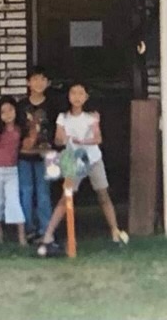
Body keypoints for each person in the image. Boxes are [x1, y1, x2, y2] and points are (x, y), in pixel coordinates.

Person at [36, 82, 129, 256]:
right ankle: (47, 236)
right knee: (66, 197)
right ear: (68, 96)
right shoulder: (62, 117)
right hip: (72, 159)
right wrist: (62, 139)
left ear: (86, 97)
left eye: (81, 93)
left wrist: (83, 142)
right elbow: (58, 139)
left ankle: (115, 232)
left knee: (103, 195)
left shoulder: (92, 117)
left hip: (93, 158)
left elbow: (98, 138)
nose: (77, 97)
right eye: (73, 93)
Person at [17, 66, 62, 241]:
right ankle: (28, 229)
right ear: (28, 82)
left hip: (49, 156)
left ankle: (46, 230)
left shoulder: (53, 105)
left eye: (43, 79)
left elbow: (58, 129)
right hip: (24, 155)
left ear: (48, 83)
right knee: (26, 192)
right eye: (35, 79)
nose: (39, 83)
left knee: (45, 193)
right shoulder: (21, 106)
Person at [0, 95, 27, 245]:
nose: (8, 114)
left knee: (14, 201)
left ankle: (22, 237)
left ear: (16, 111)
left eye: (10, 110)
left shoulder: (20, 130)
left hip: (12, 171)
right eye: (3, 112)